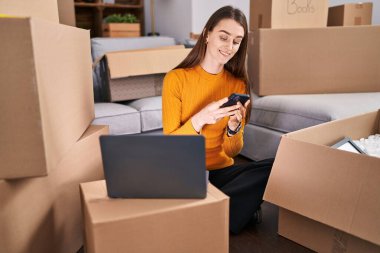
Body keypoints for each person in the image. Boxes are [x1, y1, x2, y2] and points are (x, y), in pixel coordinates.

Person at [162, 5, 274, 234]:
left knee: (277, 166)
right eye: (224, 37)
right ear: (207, 34)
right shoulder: (176, 79)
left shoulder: (238, 84)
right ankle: (232, 212)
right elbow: (171, 147)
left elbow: (232, 152)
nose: (229, 46)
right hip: (186, 171)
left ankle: (213, 213)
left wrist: (233, 129)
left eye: (236, 41)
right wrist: (200, 119)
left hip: (221, 172)